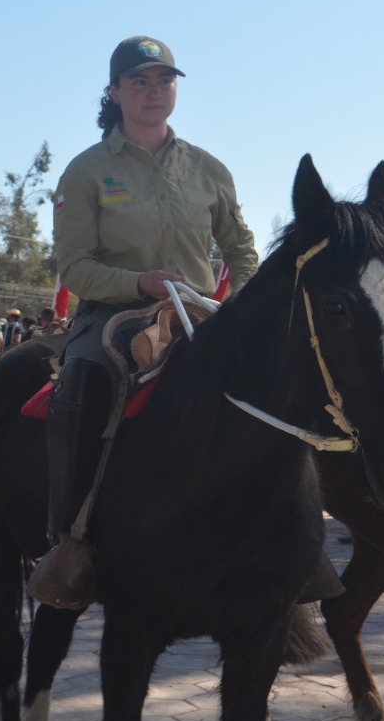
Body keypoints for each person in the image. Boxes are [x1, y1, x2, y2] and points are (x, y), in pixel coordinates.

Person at [29, 35, 259, 609]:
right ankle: (68, 540)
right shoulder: (86, 171)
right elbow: (75, 267)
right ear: (114, 92)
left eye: (164, 80)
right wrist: (139, 283)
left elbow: (242, 248)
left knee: (270, 395)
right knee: (82, 384)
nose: (154, 91)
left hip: (199, 315)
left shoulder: (209, 169)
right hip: (112, 313)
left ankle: (276, 541)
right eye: (139, 81)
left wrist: (243, 311)